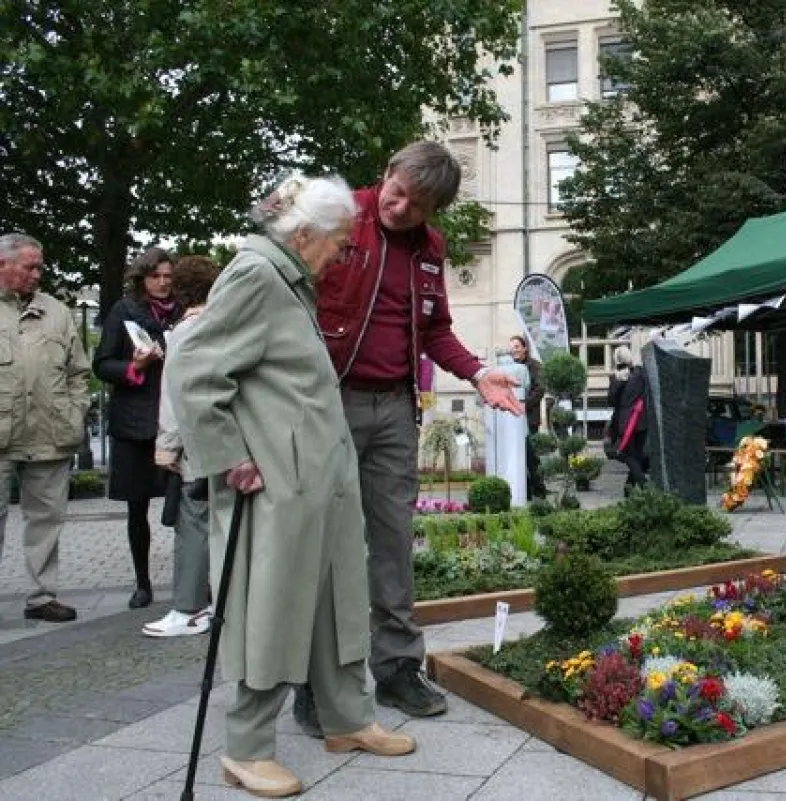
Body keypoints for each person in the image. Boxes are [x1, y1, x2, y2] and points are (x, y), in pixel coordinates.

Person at [168, 173, 416, 798]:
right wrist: (229, 457)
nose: (339, 257)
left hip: (317, 479)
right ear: (303, 234)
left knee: (337, 600)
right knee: (269, 610)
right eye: (335, 244)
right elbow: (194, 368)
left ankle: (348, 719)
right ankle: (246, 751)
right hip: (275, 484)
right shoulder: (257, 274)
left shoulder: (289, 277)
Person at [296, 141, 522, 732]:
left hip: (395, 407)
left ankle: (397, 668)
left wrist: (476, 372)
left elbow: (436, 329)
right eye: (396, 192)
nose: (399, 208)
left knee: (393, 541)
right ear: (387, 174)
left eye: (417, 206)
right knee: (323, 543)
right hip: (328, 401)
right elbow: (288, 295)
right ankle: (315, 681)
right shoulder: (335, 216)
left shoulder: (431, 249)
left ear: (434, 211)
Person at [0, 233, 90, 623]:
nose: (38, 274)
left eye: (40, 266)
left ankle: (42, 596)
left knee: (46, 520)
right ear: (3, 265)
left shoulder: (57, 311)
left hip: (50, 433)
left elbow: (78, 372)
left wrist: (75, 411)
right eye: (29, 267)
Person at [93, 246, 181, 608]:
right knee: (136, 507)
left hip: (174, 418)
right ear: (142, 278)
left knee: (186, 506)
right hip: (134, 422)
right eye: (155, 276)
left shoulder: (184, 311)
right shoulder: (124, 310)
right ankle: (142, 582)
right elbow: (102, 363)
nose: (162, 283)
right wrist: (134, 367)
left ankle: (191, 579)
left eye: (168, 277)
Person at [143, 255, 222, 638]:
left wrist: (167, 448)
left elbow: (174, 396)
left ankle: (190, 607)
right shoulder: (228, 325)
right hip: (232, 441)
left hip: (197, 443)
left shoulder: (184, 331)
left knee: (192, 522)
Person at [607, 345, 650, 493]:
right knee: (636, 456)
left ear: (616, 360)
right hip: (641, 421)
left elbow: (611, 401)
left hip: (625, 424)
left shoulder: (616, 377)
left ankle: (645, 485)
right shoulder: (641, 373)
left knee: (628, 455)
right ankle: (628, 489)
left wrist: (618, 383)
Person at [510, 334, 547, 498]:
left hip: (529, 417)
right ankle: (526, 490)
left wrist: (525, 405)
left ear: (525, 348)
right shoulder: (510, 367)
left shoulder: (534, 366)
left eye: (517, 346)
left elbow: (540, 389)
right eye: (512, 347)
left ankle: (539, 489)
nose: (514, 350)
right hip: (513, 418)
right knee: (518, 455)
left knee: (531, 455)